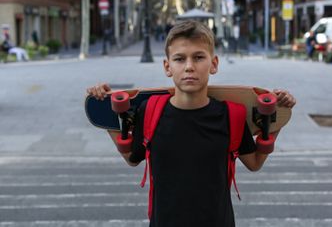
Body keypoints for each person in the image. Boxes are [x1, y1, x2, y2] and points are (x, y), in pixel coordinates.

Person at [87, 20, 296, 227]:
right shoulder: (150, 112)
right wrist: (105, 112)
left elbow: (255, 162)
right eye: (179, 59)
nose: (189, 67)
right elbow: (132, 158)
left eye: (198, 57)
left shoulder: (231, 115)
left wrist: (277, 115)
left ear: (213, 64)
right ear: (167, 67)